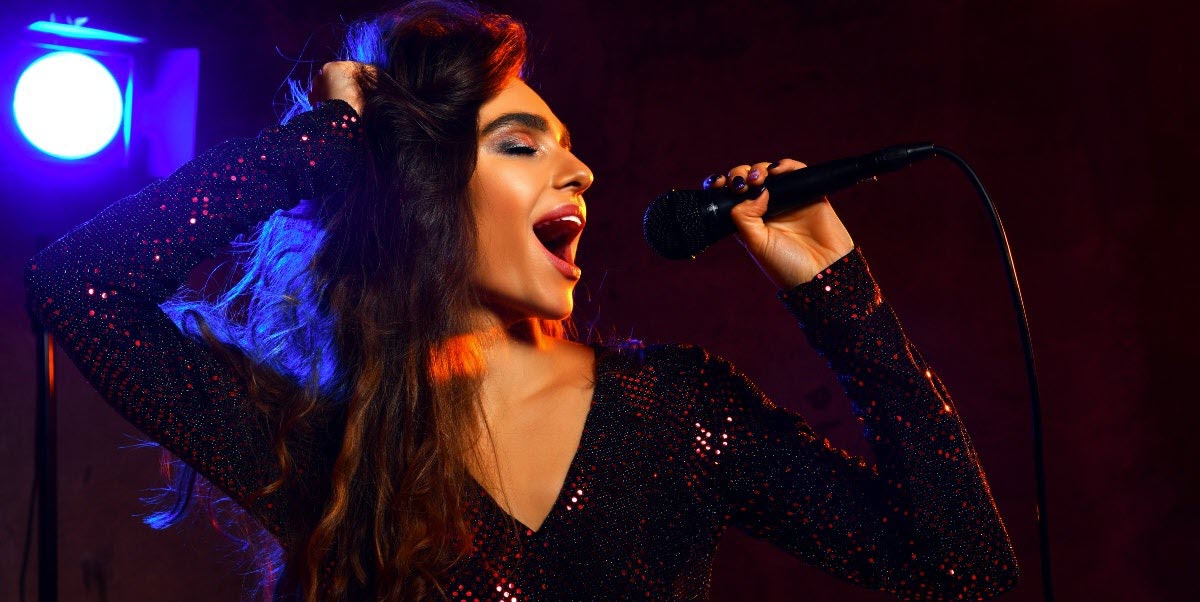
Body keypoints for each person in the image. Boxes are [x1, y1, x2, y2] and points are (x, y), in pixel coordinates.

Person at [23, 0, 1019, 600]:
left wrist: (840, 297)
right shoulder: (317, 442)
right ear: (423, 191)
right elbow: (80, 286)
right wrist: (327, 138)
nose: (580, 171)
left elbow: (963, 569)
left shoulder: (677, 415)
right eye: (522, 144)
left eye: (569, 146)